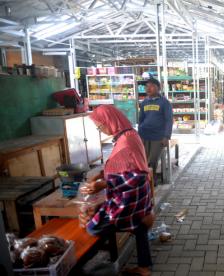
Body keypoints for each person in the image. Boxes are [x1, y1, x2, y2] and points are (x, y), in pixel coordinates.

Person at [82, 105, 154, 276]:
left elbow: (138, 175)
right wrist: (100, 174)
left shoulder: (127, 140)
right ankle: (144, 268)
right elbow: (124, 164)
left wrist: (105, 183)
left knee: (93, 228)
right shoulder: (126, 134)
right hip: (136, 198)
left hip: (129, 200)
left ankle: (91, 263)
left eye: (100, 126)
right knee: (139, 227)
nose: (100, 130)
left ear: (110, 121)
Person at [138, 78, 173, 181]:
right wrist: (139, 134)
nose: (148, 88)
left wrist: (166, 136)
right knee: (143, 160)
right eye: (147, 86)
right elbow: (141, 119)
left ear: (158, 88)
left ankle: (151, 182)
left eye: (151, 86)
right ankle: (146, 182)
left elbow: (168, 120)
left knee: (152, 160)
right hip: (144, 135)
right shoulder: (144, 102)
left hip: (158, 137)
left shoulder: (164, 103)